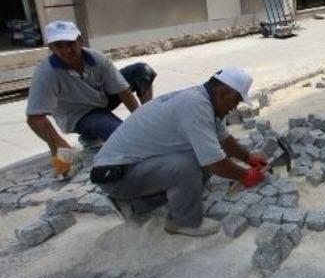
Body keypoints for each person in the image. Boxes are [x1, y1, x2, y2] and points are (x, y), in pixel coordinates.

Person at [91, 68, 268, 236]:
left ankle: (136, 204)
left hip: (134, 167)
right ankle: (183, 222)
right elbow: (214, 162)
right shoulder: (195, 105)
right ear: (222, 93)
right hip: (116, 176)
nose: (234, 108)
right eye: (236, 101)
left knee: (198, 158)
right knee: (188, 164)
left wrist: (248, 157)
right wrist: (245, 175)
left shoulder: (204, 100)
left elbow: (223, 139)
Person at [26, 21, 157, 175]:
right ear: (51, 48)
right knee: (121, 135)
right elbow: (34, 118)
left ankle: (150, 117)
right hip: (79, 115)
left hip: (101, 99)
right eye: (59, 46)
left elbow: (123, 90)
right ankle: (91, 134)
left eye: (70, 43)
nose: (67, 50)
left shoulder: (96, 58)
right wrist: (58, 144)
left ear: (80, 41)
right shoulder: (46, 73)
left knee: (142, 71)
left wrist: (142, 120)